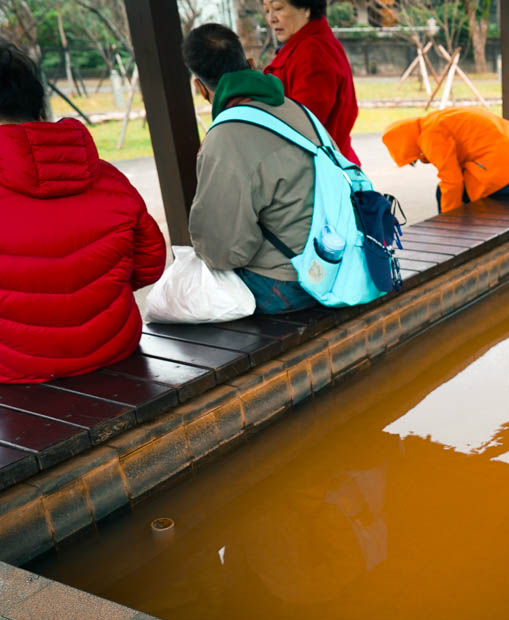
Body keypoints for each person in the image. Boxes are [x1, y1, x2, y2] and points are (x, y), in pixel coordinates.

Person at [0, 41, 165, 384]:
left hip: (17, 374)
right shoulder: (109, 178)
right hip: (115, 348)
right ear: (38, 105)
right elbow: (150, 265)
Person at [183, 23, 335, 314]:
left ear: (200, 89)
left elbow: (223, 252)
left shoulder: (225, 136)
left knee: (191, 290)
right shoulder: (297, 110)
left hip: (292, 285)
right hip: (337, 263)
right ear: (251, 65)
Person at [382, 108, 509, 214]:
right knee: (465, 187)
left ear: (406, 144)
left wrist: (449, 221)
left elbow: (452, 181)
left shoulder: (430, 135)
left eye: (414, 158)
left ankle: (455, 239)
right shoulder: (440, 118)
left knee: (444, 192)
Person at [262, 0, 361, 166]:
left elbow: (303, 126)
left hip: (315, 173)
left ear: (307, 8)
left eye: (278, 8)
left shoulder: (313, 53)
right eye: (266, 10)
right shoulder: (303, 46)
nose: (271, 18)